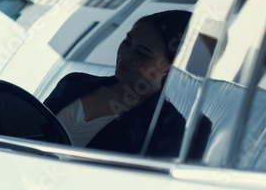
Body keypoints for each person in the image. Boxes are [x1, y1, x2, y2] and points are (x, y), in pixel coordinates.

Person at [43, 10, 191, 157]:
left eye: (142, 53)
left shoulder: (167, 127)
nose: (125, 55)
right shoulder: (73, 83)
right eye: (127, 42)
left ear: (169, 67)